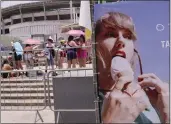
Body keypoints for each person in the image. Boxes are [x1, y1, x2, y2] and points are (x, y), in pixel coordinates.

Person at [95, 12, 169, 123]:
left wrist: (167, 115)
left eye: (128, 36)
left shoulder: (148, 103)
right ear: (93, 45)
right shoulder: (84, 100)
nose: (121, 41)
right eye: (110, 34)